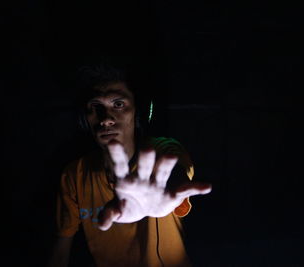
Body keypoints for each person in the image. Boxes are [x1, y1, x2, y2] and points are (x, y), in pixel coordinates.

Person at [49, 64, 212, 267]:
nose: (106, 119)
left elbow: (176, 172)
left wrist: (169, 190)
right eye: (96, 107)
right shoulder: (74, 175)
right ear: (85, 119)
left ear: (138, 112)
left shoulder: (163, 151)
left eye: (118, 104)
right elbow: (60, 251)